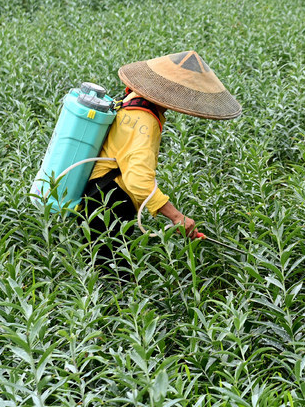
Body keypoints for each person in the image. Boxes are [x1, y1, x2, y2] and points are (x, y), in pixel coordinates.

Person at [82, 50, 242, 266]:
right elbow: (138, 181)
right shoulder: (144, 120)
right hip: (107, 201)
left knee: (103, 270)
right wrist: (176, 216)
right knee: (116, 279)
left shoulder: (133, 99)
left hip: (99, 195)